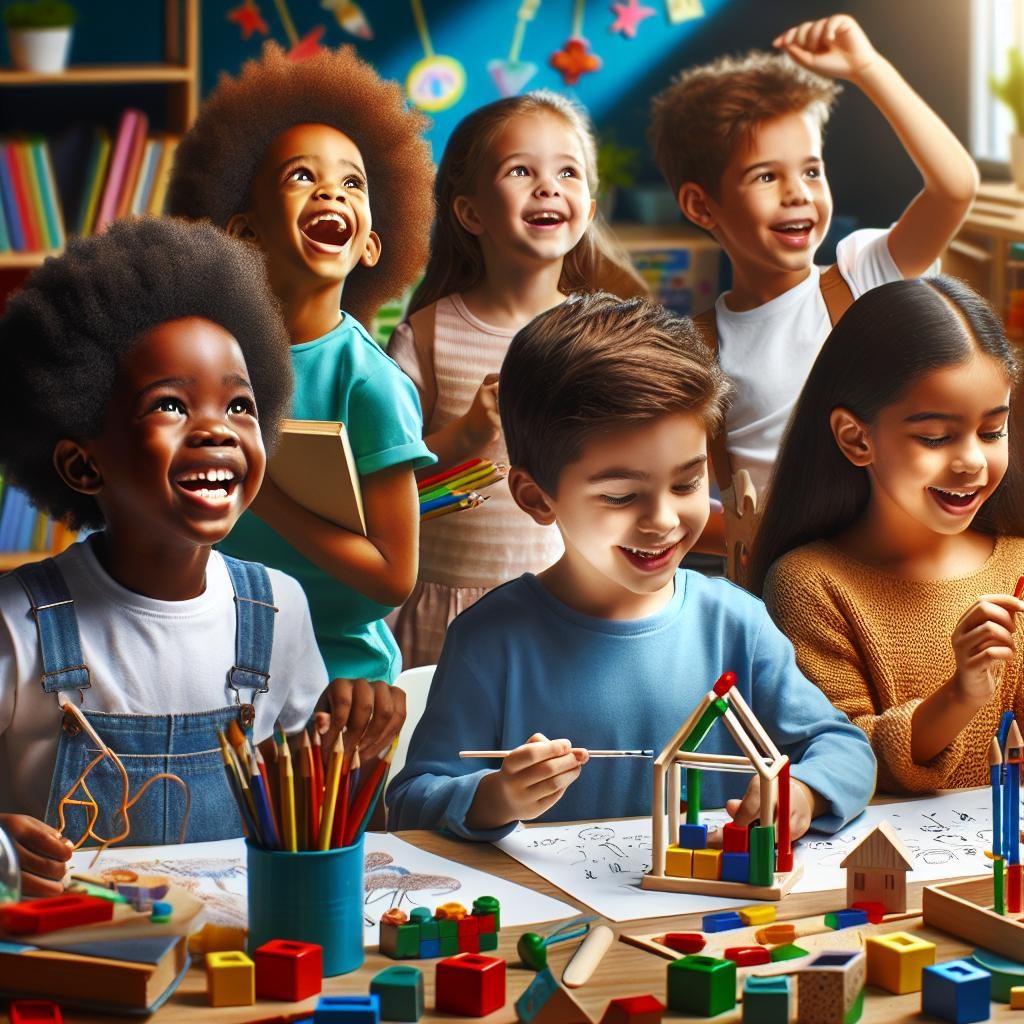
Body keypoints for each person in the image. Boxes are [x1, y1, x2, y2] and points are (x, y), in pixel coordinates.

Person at [387, 294, 875, 840]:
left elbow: (845, 750)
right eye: (621, 496)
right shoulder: (490, 639)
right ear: (536, 497)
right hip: (554, 921)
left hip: (709, 916)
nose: (662, 520)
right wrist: (493, 797)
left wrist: (802, 792)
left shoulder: (736, 624)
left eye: (687, 483)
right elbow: (411, 801)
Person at [0, 218, 330, 894]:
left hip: (236, 961)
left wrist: (348, 732)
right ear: (82, 465)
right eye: (171, 405)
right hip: (74, 962)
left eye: (240, 404)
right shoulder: (16, 623)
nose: (216, 428)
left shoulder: (277, 610)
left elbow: (311, 806)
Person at [167, 44, 436, 751]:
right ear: (244, 232)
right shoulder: (205, 359)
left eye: (352, 183)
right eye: (301, 177)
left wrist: (263, 493)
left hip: (335, 690)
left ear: (372, 243)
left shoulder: (370, 383)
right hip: (210, 661)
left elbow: (392, 577)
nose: (331, 193)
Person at [649, 14, 978, 583]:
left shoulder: (863, 274)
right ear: (703, 207)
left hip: (894, 574)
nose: (799, 193)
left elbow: (954, 188)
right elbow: (678, 499)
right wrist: (760, 535)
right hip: (777, 588)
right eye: (766, 177)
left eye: (811, 169)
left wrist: (866, 68)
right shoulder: (697, 348)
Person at [388, 92, 647, 669]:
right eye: (520, 170)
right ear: (470, 212)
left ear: (588, 202)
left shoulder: (600, 335)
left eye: (567, 171)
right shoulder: (427, 335)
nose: (548, 186)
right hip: (440, 607)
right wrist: (468, 436)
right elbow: (383, 483)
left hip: (561, 605)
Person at [755, 276, 1024, 793]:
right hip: (882, 863)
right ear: (856, 438)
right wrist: (960, 695)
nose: (971, 461)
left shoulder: (1018, 567)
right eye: (935, 437)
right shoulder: (810, 585)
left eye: (992, 431)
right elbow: (836, 762)